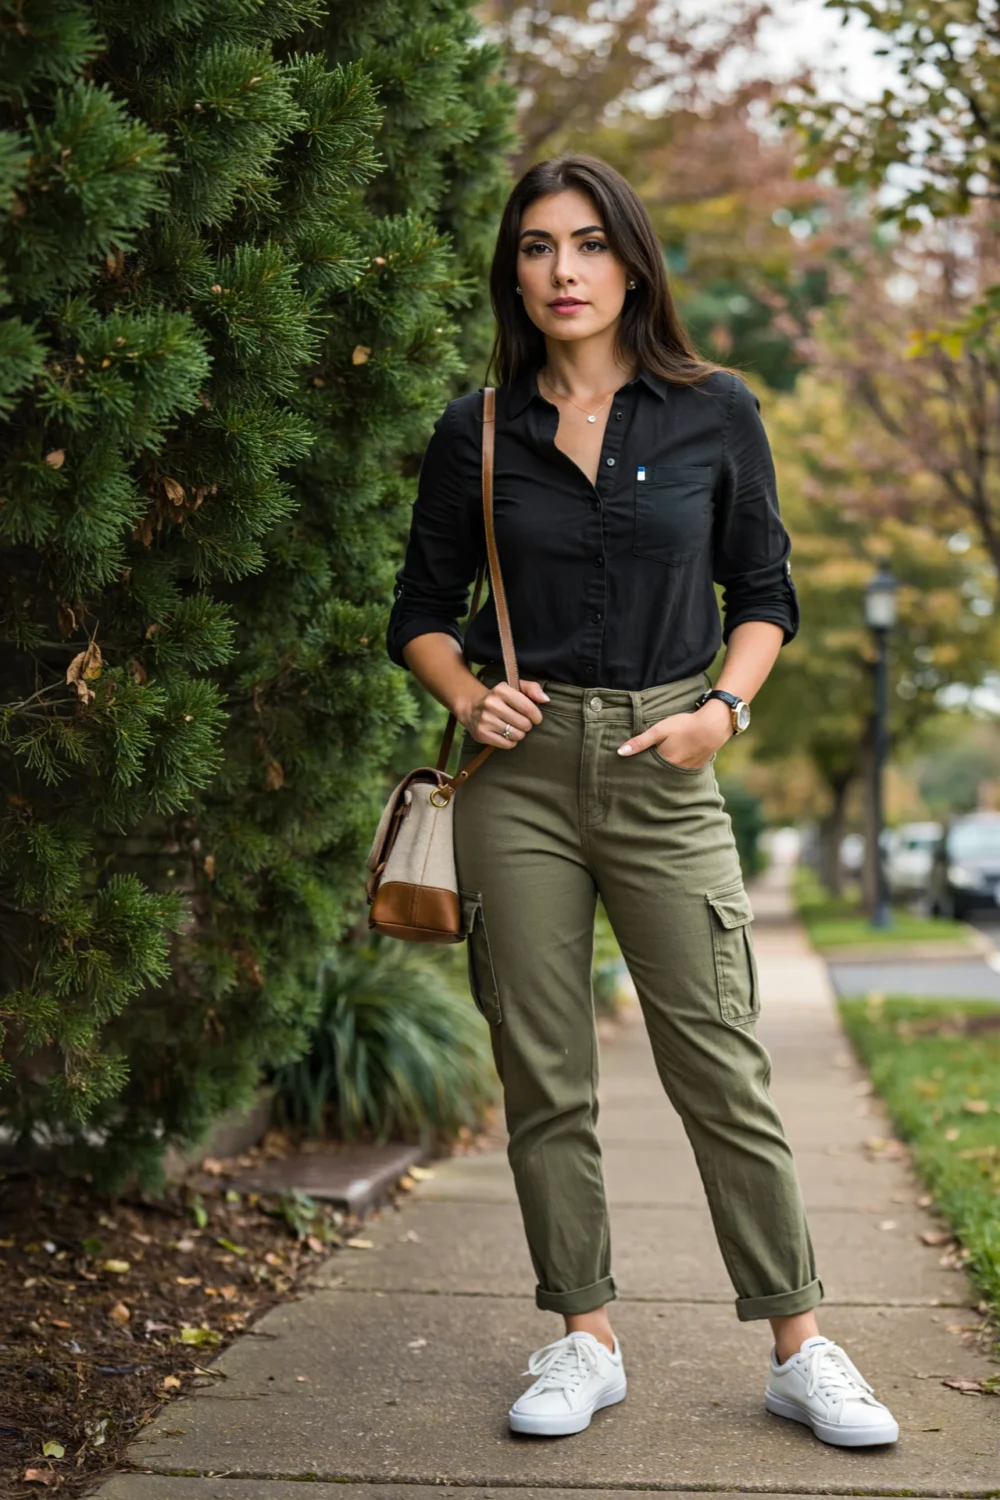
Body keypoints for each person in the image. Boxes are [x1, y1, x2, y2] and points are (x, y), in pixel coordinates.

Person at [384, 153, 899, 1450]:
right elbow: (419, 615)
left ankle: (799, 1344)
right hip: (524, 775)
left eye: (589, 244)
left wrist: (723, 712)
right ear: (516, 267)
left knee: (720, 1062)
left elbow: (767, 595)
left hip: (670, 767)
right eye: (540, 246)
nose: (564, 271)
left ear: (632, 262)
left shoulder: (715, 412)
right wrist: (467, 694)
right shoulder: (478, 429)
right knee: (544, 1074)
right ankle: (584, 1338)